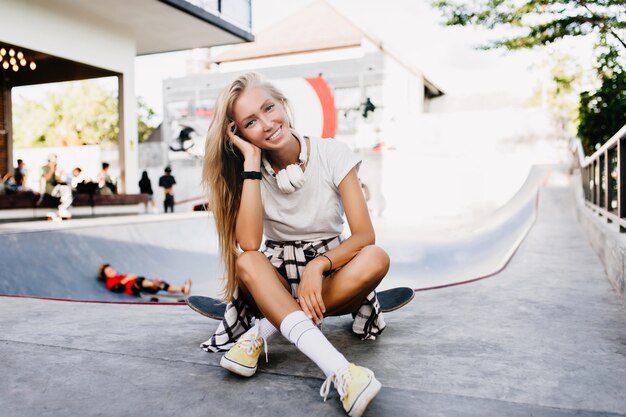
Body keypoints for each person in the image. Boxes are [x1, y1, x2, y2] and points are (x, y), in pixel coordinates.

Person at [201, 73, 390, 417]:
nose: (267, 123)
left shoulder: (332, 152)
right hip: (277, 277)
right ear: (239, 134)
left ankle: (264, 330)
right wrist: (252, 165)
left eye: (269, 107)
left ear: (283, 104)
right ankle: (341, 370)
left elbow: (364, 235)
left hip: (330, 275)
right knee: (246, 261)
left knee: (376, 258)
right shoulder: (250, 173)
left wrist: (318, 266)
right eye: (250, 122)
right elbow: (249, 243)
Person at [98, 264, 192, 297]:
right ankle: (153, 284)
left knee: (162, 285)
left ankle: (182, 289)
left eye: (111, 269)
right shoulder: (110, 281)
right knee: (139, 281)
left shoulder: (120, 276)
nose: (112, 271)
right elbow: (117, 288)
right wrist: (127, 279)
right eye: (109, 271)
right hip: (133, 288)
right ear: (106, 276)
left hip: (142, 286)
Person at [40, 154, 73, 218]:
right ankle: (62, 208)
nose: (54, 163)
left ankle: (63, 208)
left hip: (56, 187)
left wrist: (60, 173)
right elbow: (46, 178)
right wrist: (52, 169)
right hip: (48, 188)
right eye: (53, 162)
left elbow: (57, 180)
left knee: (67, 189)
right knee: (65, 190)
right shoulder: (44, 168)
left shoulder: (56, 168)